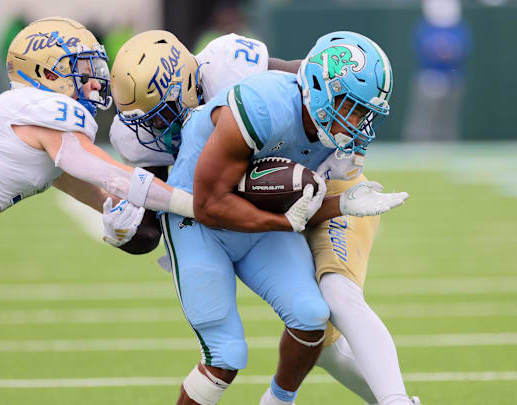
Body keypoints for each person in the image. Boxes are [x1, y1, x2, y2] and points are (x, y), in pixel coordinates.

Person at [0, 17, 195, 405]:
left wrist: (120, 215)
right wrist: (193, 204)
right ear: (47, 72)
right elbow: (106, 173)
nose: (95, 82)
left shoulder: (24, 117)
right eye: (83, 70)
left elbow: (89, 186)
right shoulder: (51, 110)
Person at [110, 30, 413, 405]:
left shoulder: (238, 72)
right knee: (226, 356)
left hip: (269, 206)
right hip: (203, 221)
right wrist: (127, 220)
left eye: (168, 110)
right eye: (152, 119)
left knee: (314, 315)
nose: (162, 126)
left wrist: (339, 204)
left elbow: (297, 88)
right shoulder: (255, 107)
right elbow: (199, 207)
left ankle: (284, 399)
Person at [403, 0, 471, 142]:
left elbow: (464, 48)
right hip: (430, 76)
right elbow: (421, 47)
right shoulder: (425, 26)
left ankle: (446, 144)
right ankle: (418, 144)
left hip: (452, 77)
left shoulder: (459, 26)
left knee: (448, 117)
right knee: (425, 116)